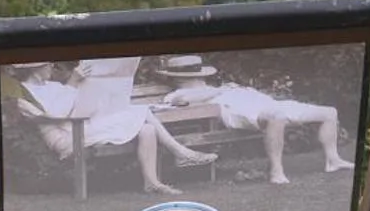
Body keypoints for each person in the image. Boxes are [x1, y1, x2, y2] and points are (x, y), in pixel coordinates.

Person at [12, 59, 217, 196]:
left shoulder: (53, 87)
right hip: (67, 137)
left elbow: (74, 104)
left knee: (147, 129)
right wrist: (74, 82)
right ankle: (180, 152)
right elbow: (56, 114)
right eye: (48, 65)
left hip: (85, 127)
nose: (52, 68)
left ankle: (151, 182)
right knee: (142, 111)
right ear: (35, 68)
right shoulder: (24, 95)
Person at [154, 54, 353, 185]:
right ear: (178, 78)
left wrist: (225, 88)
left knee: (329, 112)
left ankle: (333, 160)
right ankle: (276, 171)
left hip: (265, 103)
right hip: (236, 110)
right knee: (277, 116)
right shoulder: (177, 93)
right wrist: (220, 90)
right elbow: (182, 100)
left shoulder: (221, 87)